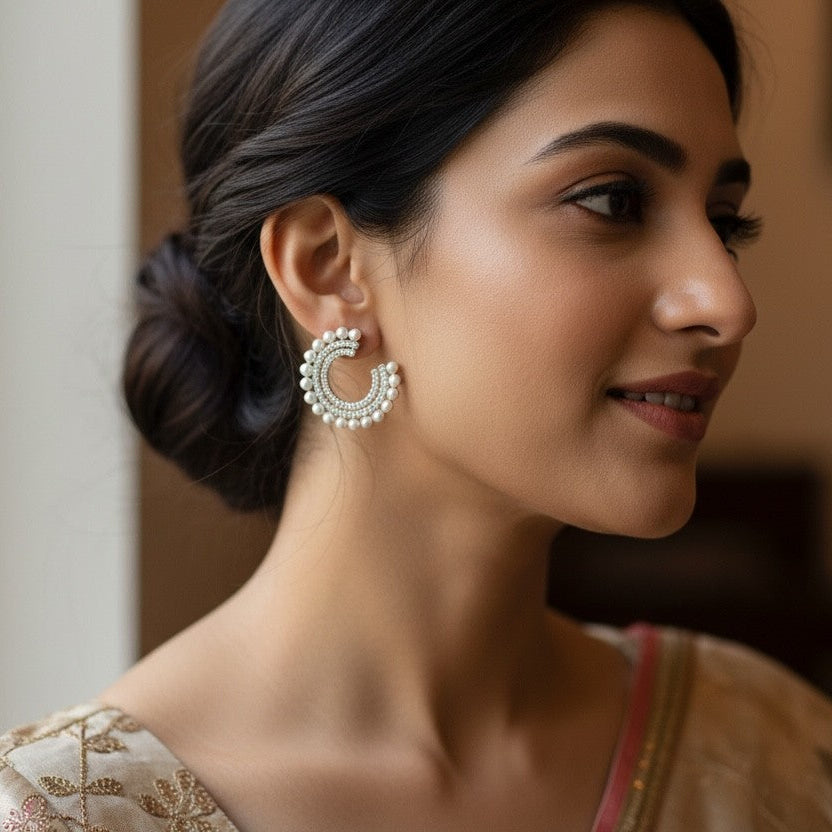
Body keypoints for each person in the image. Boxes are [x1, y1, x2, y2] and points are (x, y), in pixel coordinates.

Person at [2, 0, 831, 829]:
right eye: (613, 200)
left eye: (725, 224)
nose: (726, 299)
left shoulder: (776, 758)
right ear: (328, 269)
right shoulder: (69, 814)